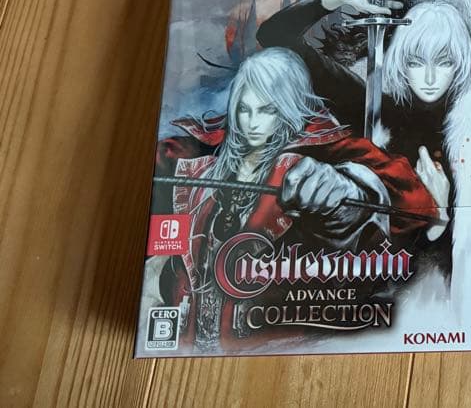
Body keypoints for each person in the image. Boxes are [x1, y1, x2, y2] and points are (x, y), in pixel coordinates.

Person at [150, 47, 438, 351]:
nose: (252, 123)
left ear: (288, 108)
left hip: (268, 339)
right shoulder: (201, 162)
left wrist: (345, 190)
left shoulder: (312, 156)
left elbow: (393, 192)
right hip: (190, 334)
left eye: (267, 111)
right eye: (244, 110)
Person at [257, 0, 471, 303]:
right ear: (402, 62)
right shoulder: (374, 107)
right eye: (416, 62)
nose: (430, 77)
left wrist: (439, 220)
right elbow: (274, 35)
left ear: (460, 63)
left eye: (444, 61)